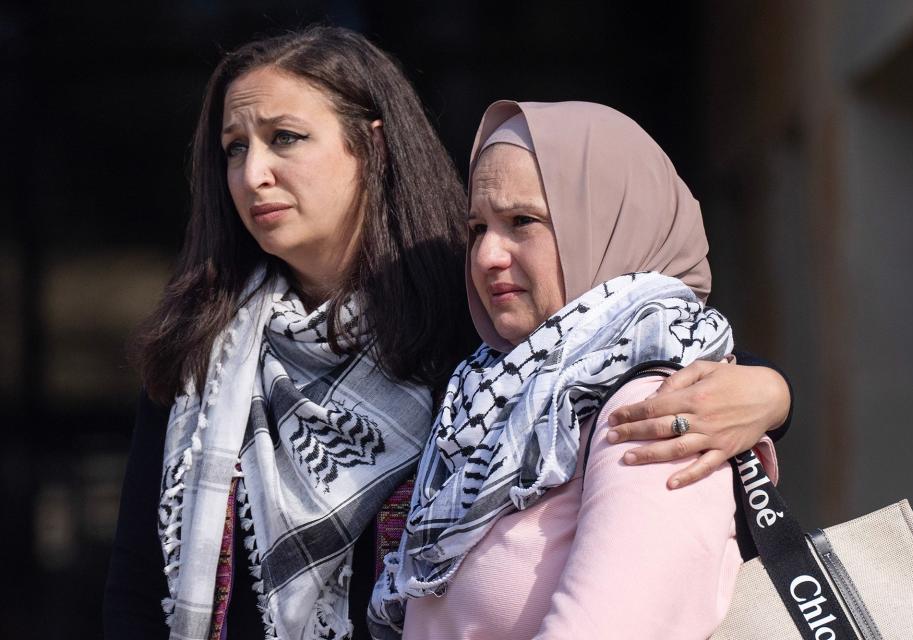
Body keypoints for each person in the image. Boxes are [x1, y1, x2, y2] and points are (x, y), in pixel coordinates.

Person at [103, 27, 791, 640]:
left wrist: (770, 389)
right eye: (233, 149)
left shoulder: (472, 324)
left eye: (285, 137)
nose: (253, 174)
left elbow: (629, 360)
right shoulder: (200, 353)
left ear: (370, 145)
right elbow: (137, 591)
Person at [369, 101, 779, 640]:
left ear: (610, 222)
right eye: (477, 228)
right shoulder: (489, 393)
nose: (487, 254)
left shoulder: (659, 406)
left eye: (523, 222)